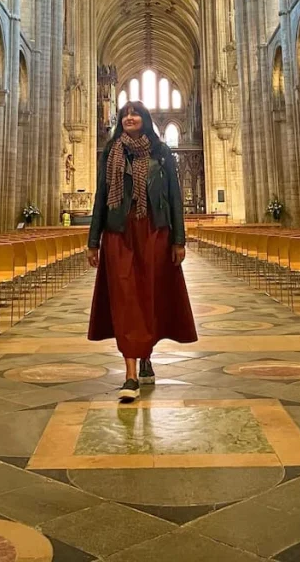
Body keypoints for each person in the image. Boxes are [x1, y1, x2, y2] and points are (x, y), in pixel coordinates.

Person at [87, 101, 197, 402]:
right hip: (119, 233)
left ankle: (145, 354)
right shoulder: (111, 153)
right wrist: (93, 240)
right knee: (126, 300)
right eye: (125, 114)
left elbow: (175, 196)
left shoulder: (162, 153)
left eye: (135, 114)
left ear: (145, 119)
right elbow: (101, 197)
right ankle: (131, 375)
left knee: (150, 297)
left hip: (154, 232)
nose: (130, 118)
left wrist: (179, 240)